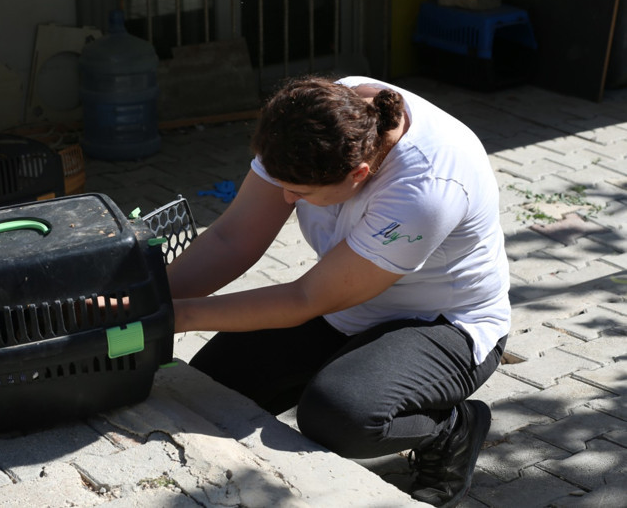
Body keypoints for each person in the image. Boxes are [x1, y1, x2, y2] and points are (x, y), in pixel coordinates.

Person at [167, 75, 510, 508]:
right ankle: (350, 369)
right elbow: (230, 239)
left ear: (359, 174)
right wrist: (148, 299)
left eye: (300, 193)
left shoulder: (425, 189)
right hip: (344, 299)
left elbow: (303, 300)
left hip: (443, 323)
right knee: (211, 388)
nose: (285, 197)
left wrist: (176, 317)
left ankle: (451, 430)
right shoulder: (317, 118)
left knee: (339, 416)